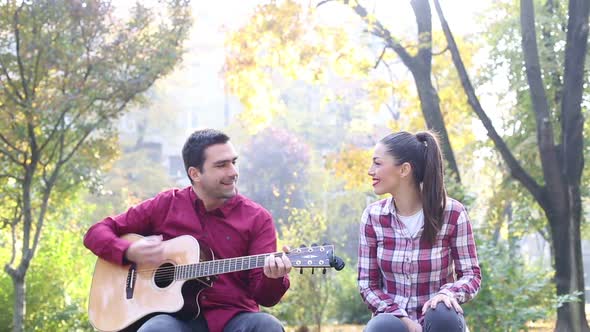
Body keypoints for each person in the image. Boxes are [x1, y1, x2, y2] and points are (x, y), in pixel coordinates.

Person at [84, 129, 291, 332]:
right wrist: (128, 252)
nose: (233, 172)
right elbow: (96, 233)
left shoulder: (257, 218)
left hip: (234, 319)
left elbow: (266, 298)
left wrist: (273, 276)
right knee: (156, 329)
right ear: (195, 173)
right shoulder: (166, 205)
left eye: (233, 162)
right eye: (221, 165)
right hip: (175, 320)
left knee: (267, 327)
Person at [358, 131, 481, 332]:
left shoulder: (452, 213)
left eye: (378, 163)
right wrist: (401, 317)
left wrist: (447, 294)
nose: (371, 171)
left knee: (443, 313)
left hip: (439, 323)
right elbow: (367, 284)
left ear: (404, 169)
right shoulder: (373, 217)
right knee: (382, 325)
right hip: (394, 324)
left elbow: (470, 274)